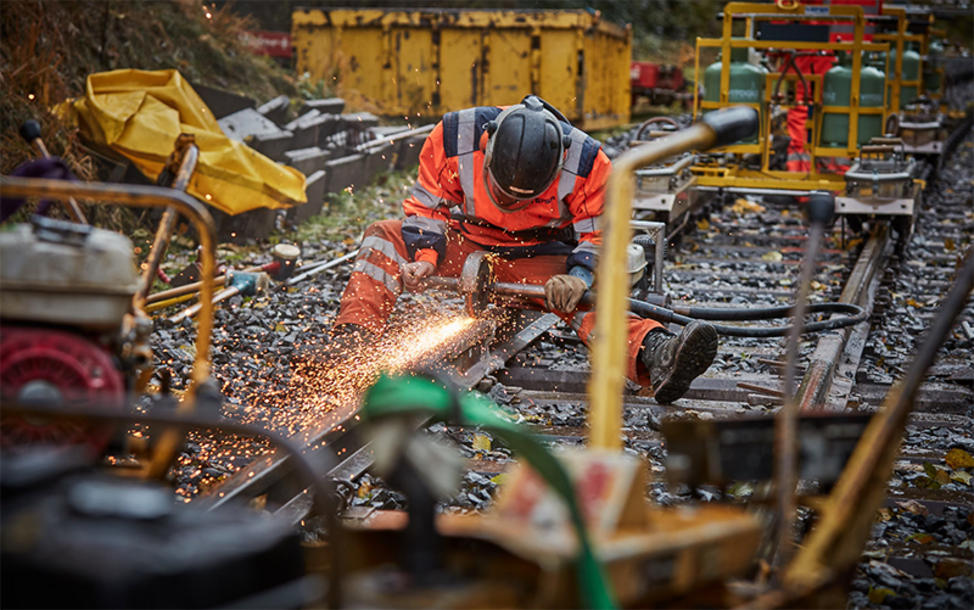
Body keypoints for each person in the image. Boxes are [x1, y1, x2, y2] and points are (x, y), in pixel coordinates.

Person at [330, 95, 717, 403]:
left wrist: (578, 277)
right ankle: (353, 343)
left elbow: (603, 234)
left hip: (539, 257)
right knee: (383, 235)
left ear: (557, 163)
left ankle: (657, 351)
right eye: (501, 192)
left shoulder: (588, 162)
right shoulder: (453, 136)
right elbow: (426, 208)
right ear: (488, 145)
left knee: (595, 297)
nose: (510, 203)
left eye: (524, 197)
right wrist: (427, 259)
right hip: (466, 242)